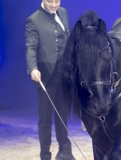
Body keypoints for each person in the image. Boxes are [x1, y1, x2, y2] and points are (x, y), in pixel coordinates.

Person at [25, 0, 75, 160]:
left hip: (64, 74)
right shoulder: (33, 20)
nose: (54, 5)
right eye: (50, 1)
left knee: (63, 114)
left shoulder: (64, 13)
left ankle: (64, 152)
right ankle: (45, 155)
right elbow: (31, 47)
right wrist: (33, 68)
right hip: (46, 76)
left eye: (57, 1)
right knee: (45, 118)